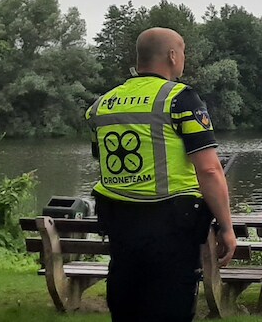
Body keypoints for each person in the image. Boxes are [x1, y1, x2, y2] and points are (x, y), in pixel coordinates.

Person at [84, 27, 236, 322]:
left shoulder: (102, 104)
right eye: (183, 52)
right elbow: (209, 169)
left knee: (127, 308)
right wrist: (227, 228)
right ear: (172, 55)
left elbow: (101, 159)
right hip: (170, 228)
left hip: (120, 226)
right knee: (170, 309)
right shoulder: (181, 100)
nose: (184, 59)